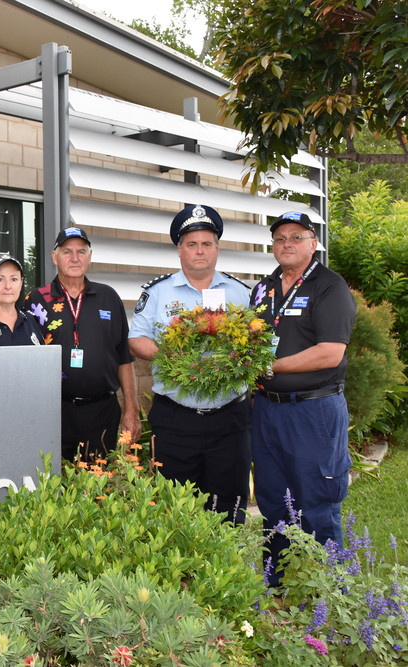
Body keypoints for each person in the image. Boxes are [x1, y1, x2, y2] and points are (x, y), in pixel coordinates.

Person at [249, 211, 356, 586]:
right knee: (273, 500)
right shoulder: (263, 288)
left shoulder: (329, 287)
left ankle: (332, 594)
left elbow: (330, 353)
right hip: (266, 412)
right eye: (280, 238)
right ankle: (277, 589)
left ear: (313, 243)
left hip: (314, 411)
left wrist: (271, 366)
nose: (287, 244)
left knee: (317, 502)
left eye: (297, 237)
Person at [129, 205, 252, 523]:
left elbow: (259, 343)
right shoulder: (157, 293)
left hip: (230, 421)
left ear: (217, 248)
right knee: (175, 511)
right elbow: (136, 339)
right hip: (176, 421)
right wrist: (170, 357)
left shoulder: (241, 294)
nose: (200, 251)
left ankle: (226, 572)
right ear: (180, 249)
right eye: (192, 244)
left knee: (229, 509)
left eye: (207, 243)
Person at [25, 227, 139, 463]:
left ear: (90, 256)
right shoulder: (37, 299)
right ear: (54, 257)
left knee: (99, 488)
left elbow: (124, 359)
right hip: (53, 412)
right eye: (67, 251)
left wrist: (131, 409)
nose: (74, 258)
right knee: (53, 485)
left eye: (81, 251)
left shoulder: (108, 297)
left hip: (102, 412)